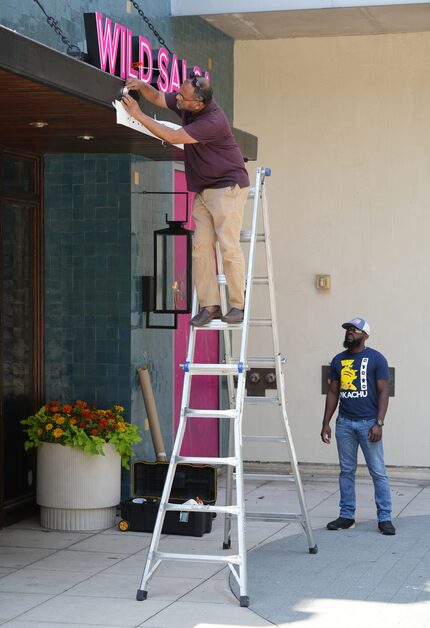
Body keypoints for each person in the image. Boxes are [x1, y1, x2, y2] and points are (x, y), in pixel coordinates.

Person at [121, 75, 250, 327]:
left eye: (183, 97)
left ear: (199, 103)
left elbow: (173, 137)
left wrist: (138, 114)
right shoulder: (187, 103)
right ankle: (210, 305)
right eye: (179, 93)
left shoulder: (212, 121)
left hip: (227, 187)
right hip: (204, 189)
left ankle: (237, 305)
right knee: (200, 248)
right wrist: (143, 87)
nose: (177, 98)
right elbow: (158, 97)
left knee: (228, 245)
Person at [320, 317, 396, 535]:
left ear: (365, 335)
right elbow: (333, 392)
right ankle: (346, 516)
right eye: (347, 330)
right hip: (344, 423)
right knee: (346, 471)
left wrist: (379, 423)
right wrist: (326, 423)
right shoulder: (337, 360)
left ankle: (384, 518)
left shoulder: (376, 358)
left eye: (354, 330)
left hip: (368, 424)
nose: (349, 333)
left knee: (378, 471)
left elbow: (384, 391)